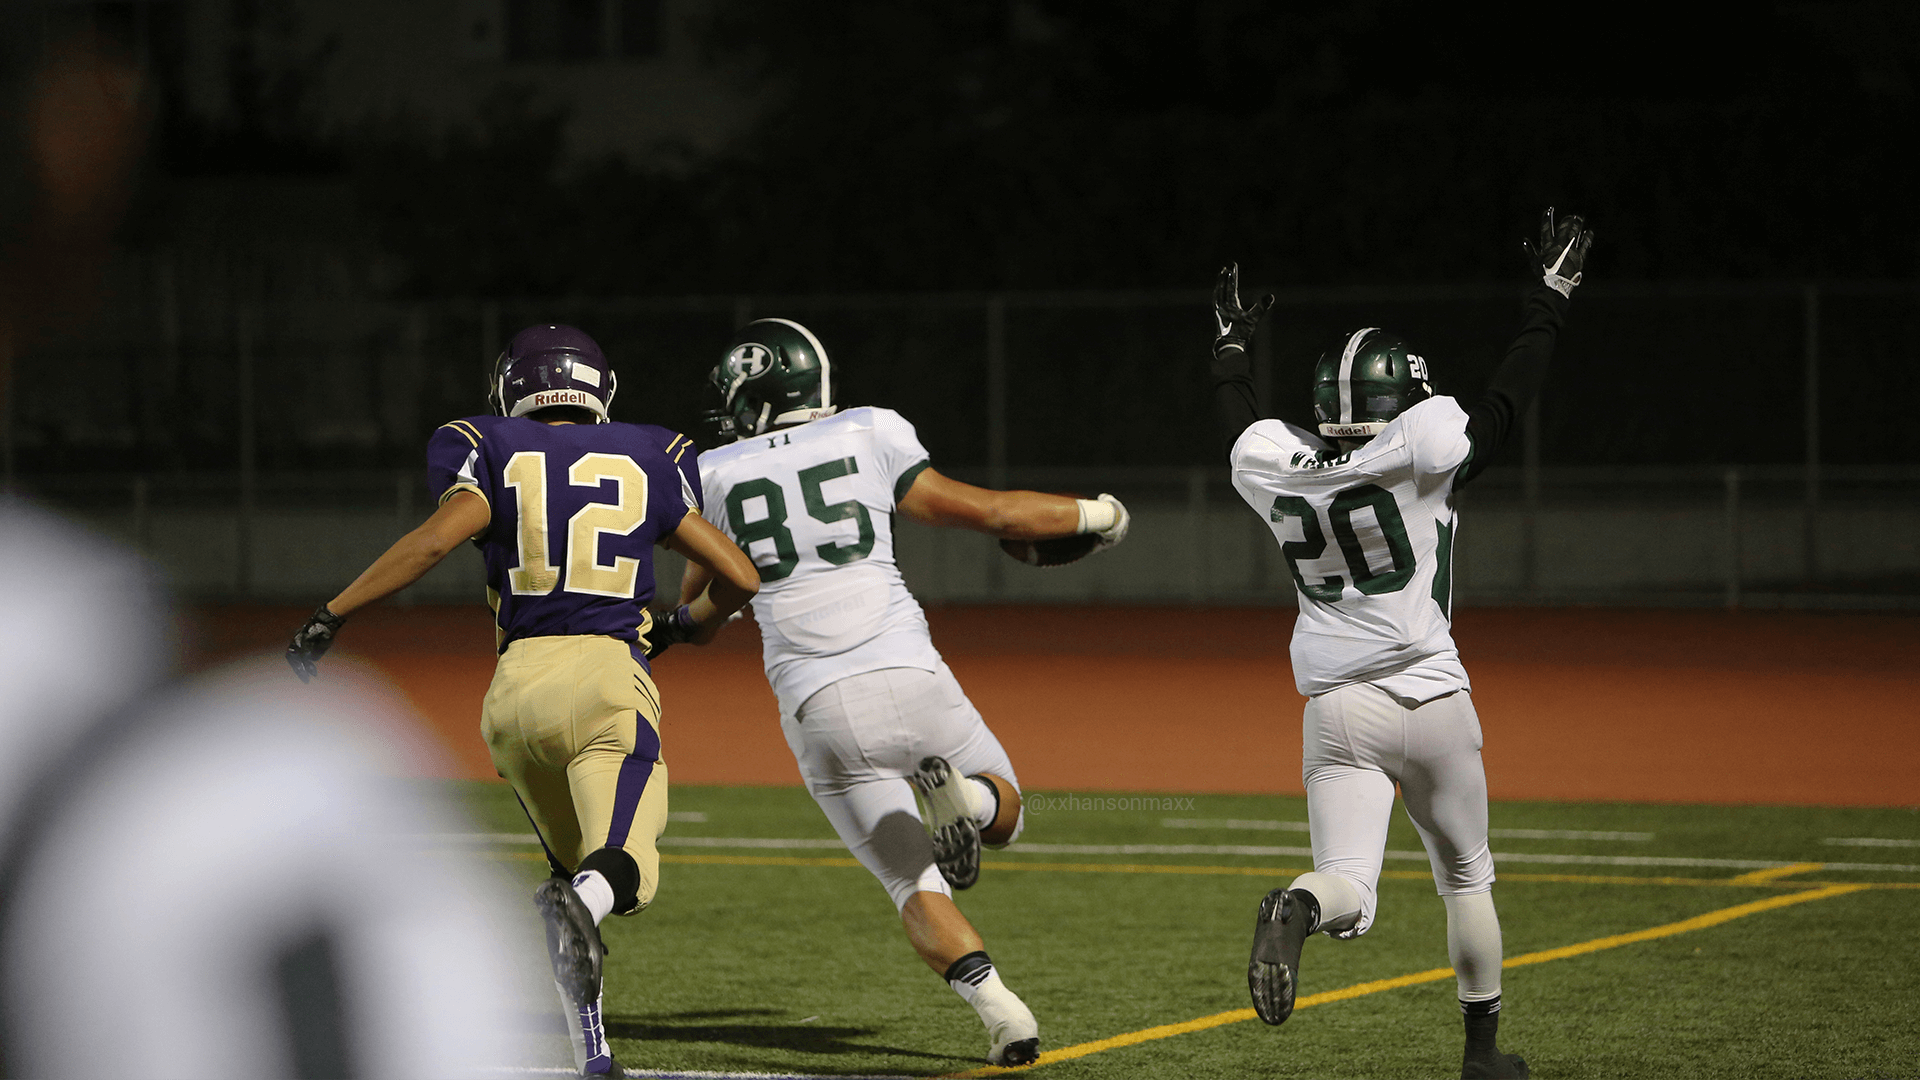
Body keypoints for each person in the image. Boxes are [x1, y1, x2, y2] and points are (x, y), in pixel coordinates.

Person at [285, 324, 760, 1077]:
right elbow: (741, 575)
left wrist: (331, 615)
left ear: (512, 389)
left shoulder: (488, 445)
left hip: (513, 698)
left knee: (577, 879)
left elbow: (432, 542)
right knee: (623, 875)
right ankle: (586, 915)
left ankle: (592, 1052)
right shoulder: (652, 453)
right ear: (599, 389)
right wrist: (683, 625)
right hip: (608, 680)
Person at [677, 318, 1130, 1067]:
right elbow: (992, 513)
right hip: (910, 673)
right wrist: (1102, 515)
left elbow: (703, 608)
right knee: (1008, 814)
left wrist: (672, 628)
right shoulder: (870, 430)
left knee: (911, 882)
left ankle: (1004, 1014)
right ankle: (969, 799)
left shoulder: (712, 472)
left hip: (818, 706)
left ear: (753, 395)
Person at [1211, 210, 1594, 1080]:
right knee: (1467, 878)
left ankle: (1298, 907)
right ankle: (1482, 1057)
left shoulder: (1274, 464)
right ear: (1404, 402)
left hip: (1340, 708)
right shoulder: (1424, 449)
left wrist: (1229, 349)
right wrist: (1552, 296)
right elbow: (1506, 402)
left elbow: (1236, 420)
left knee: (1348, 882)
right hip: (1434, 695)